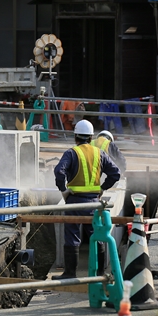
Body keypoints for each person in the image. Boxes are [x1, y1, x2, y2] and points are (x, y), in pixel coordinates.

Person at [53, 120, 121, 279]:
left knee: (72, 237)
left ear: (76, 136)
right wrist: (102, 188)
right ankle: (99, 273)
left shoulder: (71, 153)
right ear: (91, 138)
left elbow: (59, 172)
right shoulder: (99, 153)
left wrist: (63, 190)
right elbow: (115, 173)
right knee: (97, 236)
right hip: (94, 203)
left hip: (74, 202)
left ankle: (70, 273)